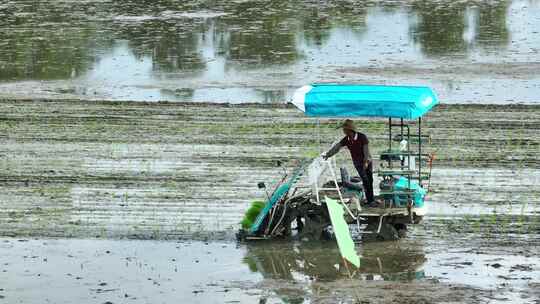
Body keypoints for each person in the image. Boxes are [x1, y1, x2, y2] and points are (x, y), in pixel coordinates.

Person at [323, 119, 374, 204]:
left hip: (367, 161)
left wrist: (365, 162)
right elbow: (337, 147)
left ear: (349, 130)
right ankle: (370, 200)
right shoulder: (346, 139)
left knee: (369, 180)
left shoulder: (362, 137)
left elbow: (366, 151)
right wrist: (328, 154)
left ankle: (370, 199)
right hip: (357, 162)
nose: (343, 131)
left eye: (344, 129)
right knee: (365, 180)